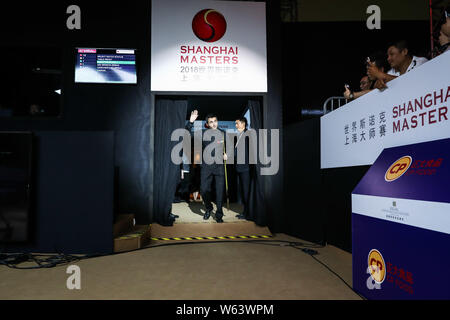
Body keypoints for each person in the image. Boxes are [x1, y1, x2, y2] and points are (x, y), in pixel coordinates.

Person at [186, 110, 226, 223]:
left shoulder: (223, 133)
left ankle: (219, 214)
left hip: (219, 168)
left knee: (219, 191)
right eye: (211, 122)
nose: (214, 124)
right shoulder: (202, 133)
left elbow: (231, 149)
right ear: (207, 124)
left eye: (215, 121)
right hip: (206, 167)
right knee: (204, 190)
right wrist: (191, 122)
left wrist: (228, 155)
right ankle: (209, 208)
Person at [234, 117, 251, 220]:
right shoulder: (239, 136)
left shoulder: (247, 135)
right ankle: (245, 211)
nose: (236, 125)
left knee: (246, 192)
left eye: (237, 123)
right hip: (239, 168)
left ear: (243, 124)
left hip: (245, 168)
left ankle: (248, 213)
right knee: (243, 192)